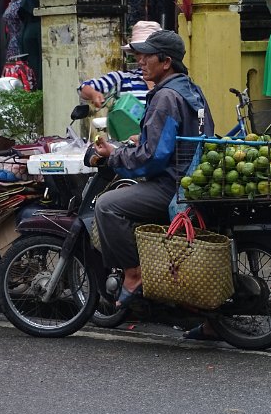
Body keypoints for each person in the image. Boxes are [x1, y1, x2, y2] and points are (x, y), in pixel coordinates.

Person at [92, 29, 214, 308]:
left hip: (171, 185)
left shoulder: (165, 97)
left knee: (107, 205)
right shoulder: (192, 89)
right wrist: (138, 141)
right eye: (139, 55)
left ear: (166, 62)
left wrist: (115, 156)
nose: (141, 61)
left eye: (147, 56)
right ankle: (208, 322)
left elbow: (153, 158)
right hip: (192, 178)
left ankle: (134, 273)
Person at [78, 20, 162, 108]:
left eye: (148, 53)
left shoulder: (170, 83)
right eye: (138, 53)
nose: (142, 59)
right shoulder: (123, 79)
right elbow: (84, 88)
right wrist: (94, 94)